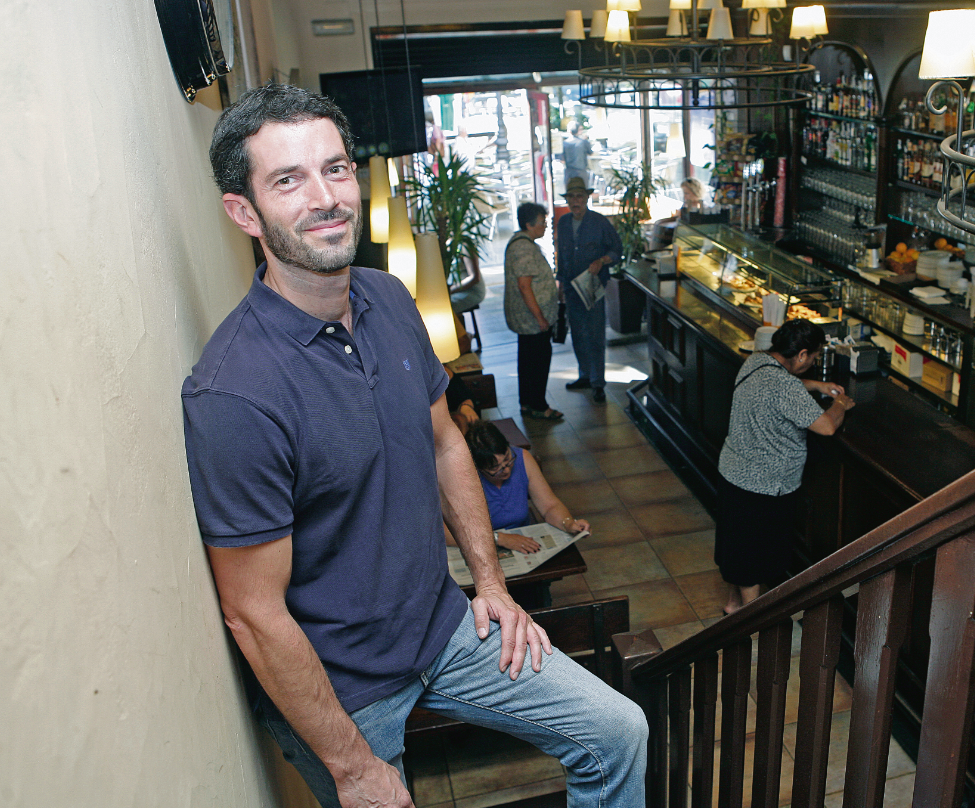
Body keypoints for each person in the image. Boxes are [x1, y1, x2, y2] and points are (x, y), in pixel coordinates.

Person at [183, 83, 646, 808]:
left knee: (618, 731)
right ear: (244, 212)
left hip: (444, 626)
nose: (326, 198)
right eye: (288, 180)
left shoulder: (391, 298)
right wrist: (352, 767)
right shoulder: (234, 392)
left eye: (336, 169)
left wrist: (490, 584)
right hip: (342, 686)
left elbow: (444, 445)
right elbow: (253, 612)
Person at [715, 319, 855, 614]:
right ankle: (752, 621)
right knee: (753, 558)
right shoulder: (785, 387)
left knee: (736, 545)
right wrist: (841, 403)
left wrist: (817, 385)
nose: (813, 362)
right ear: (802, 355)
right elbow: (826, 426)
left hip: (733, 472)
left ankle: (732, 605)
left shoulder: (756, 361)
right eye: (813, 357)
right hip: (765, 484)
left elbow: (781, 385)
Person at [466, 420, 591, 553]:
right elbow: (452, 533)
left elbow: (549, 506)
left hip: (521, 538)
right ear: (478, 468)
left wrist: (568, 523)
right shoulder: (464, 477)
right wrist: (499, 538)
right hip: (479, 543)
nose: (506, 470)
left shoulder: (523, 458)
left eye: (507, 459)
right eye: (495, 468)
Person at [556, 175, 623, 405]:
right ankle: (584, 375)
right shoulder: (563, 223)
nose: (575, 200)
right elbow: (561, 255)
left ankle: (597, 383)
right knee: (578, 334)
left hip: (593, 287)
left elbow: (617, 250)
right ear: (567, 200)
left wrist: (602, 261)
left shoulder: (599, 222)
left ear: (586, 198)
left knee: (595, 335)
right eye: (571, 197)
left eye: (579, 196)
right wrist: (560, 284)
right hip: (571, 287)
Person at [504, 202, 562, 420]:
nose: (545, 226)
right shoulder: (524, 248)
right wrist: (540, 317)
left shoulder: (522, 243)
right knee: (538, 361)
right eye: (542, 222)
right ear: (528, 225)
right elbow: (524, 286)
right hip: (532, 320)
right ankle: (538, 405)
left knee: (528, 360)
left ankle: (527, 403)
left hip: (529, 319)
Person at [562, 120, 592, 185]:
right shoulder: (584, 142)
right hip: (581, 172)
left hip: (569, 172)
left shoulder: (564, 144)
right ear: (578, 130)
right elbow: (591, 153)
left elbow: (562, 160)